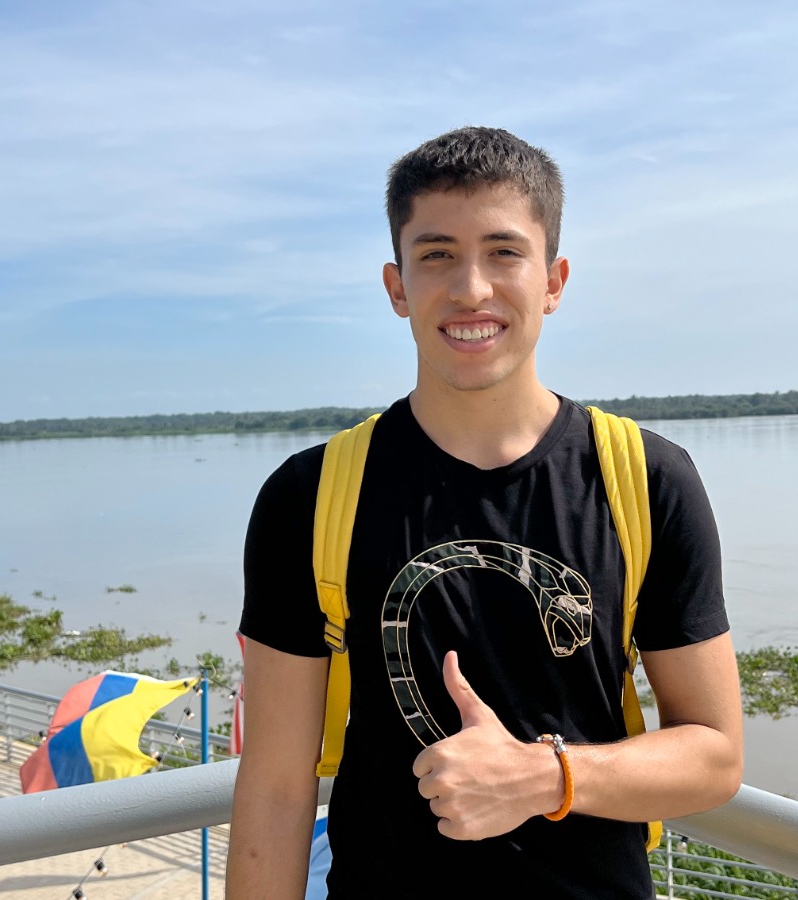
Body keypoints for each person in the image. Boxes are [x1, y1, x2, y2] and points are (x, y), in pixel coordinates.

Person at [229, 126, 743, 899]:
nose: (471, 288)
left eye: (504, 252)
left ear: (554, 280)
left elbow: (714, 756)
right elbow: (274, 787)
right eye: (436, 254)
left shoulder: (645, 480)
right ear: (397, 285)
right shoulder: (310, 496)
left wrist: (543, 776)